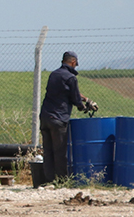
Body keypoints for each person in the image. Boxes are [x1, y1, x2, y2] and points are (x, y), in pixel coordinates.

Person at [38, 51, 97, 185]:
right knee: (59, 152)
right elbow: (75, 99)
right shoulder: (71, 78)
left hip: (45, 117)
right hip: (58, 119)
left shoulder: (54, 74)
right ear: (73, 62)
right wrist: (85, 106)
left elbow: (67, 92)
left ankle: (49, 180)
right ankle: (62, 181)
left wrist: (86, 99)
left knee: (48, 151)